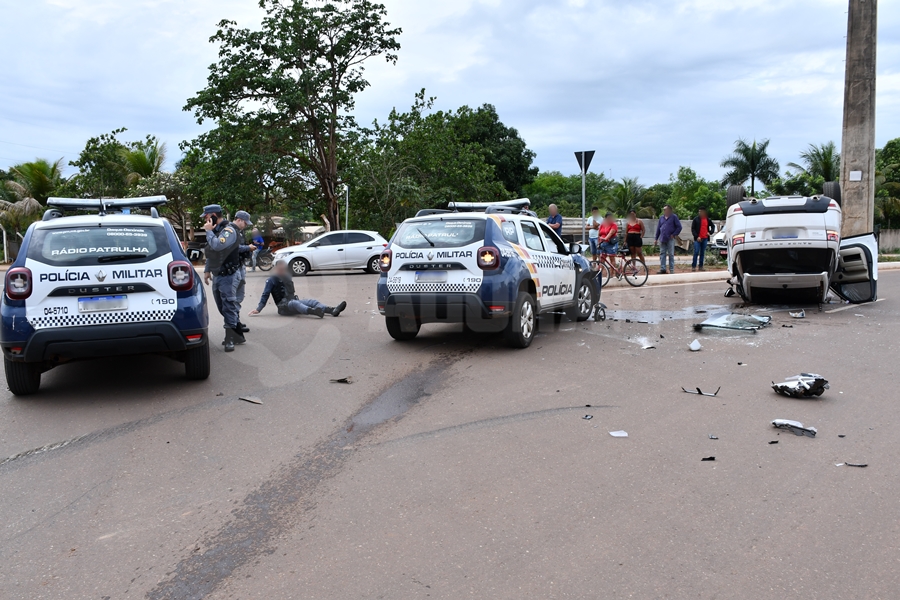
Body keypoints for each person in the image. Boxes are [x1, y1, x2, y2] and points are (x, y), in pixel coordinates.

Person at [202, 205, 250, 352]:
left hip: (229, 275)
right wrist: (207, 270)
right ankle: (238, 335)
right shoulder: (215, 230)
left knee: (228, 307)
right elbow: (211, 252)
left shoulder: (228, 230)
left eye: (206, 216)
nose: (205, 219)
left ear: (214, 215)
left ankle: (229, 338)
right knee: (222, 307)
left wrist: (209, 232)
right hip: (218, 275)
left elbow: (217, 246)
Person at [249, 260, 347, 318]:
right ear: (275, 269)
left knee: (311, 301)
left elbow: (291, 292)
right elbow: (265, 295)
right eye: (280, 269)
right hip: (283, 308)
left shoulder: (287, 278)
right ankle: (314, 312)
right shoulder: (271, 280)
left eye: (284, 269)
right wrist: (259, 309)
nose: (282, 271)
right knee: (295, 303)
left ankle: (332, 310)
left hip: (293, 302)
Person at [654, 204, 682, 275]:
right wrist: (656, 238)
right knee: (662, 253)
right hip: (662, 238)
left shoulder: (674, 217)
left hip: (670, 238)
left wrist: (674, 234)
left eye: (665, 209)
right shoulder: (661, 218)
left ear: (669, 210)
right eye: (663, 210)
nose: (664, 211)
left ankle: (671, 269)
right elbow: (658, 229)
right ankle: (663, 269)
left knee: (671, 254)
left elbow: (679, 227)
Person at [691, 207, 715, 272]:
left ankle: (701, 266)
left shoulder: (707, 219)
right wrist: (696, 236)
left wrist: (710, 232)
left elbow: (713, 226)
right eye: (699, 211)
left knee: (702, 253)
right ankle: (693, 266)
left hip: (705, 238)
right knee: (696, 252)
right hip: (698, 239)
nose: (700, 213)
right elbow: (693, 229)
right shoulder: (696, 219)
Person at [598, 212, 619, 276]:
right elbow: (599, 234)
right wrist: (599, 242)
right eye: (608, 218)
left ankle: (611, 274)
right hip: (603, 243)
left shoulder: (614, 225)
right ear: (606, 219)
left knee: (611, 258)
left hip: (610, 243)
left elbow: (610, 233)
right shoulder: (602, 225)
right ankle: (600, 274)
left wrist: (605, 238)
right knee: (602, 259)